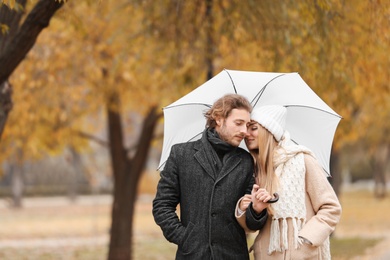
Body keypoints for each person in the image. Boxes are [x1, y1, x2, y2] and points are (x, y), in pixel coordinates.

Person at [153, 94, 268, 259]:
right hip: (192, 254)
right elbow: (162, 205)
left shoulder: (245, 160)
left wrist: (256, 211)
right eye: (238, 123)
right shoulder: (181, 154)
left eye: (248, 124)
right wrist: (183, 237)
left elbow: (249, 222)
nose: (244, 131)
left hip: (233, 255)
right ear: (219, 119)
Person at [236, 105, 342, 260]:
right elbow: (249, 226)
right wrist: (249, 208)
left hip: (304, 254)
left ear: (269, 131)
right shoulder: (251, 169)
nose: (247, 134)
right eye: (246, 128)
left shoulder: (303, 161)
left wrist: (308, 238)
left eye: (253, 128)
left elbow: (331, 208)